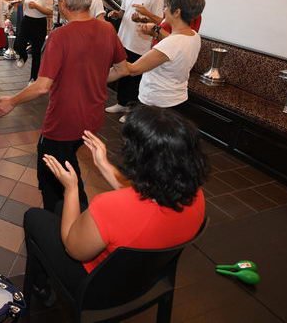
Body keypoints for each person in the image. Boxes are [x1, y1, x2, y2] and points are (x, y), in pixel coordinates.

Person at [23, 106, 208, 304]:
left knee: (35, 217)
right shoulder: (196, 196)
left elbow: (72, 249)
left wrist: (71, 188)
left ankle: (39, 286)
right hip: (148, 278)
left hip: (97, 287)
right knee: (61, 208)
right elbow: (142, 197)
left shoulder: (108, 206)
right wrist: (103, 165)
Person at [0, 0, 127, 212]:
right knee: (69, 160)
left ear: (64, 4)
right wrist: (94, 79)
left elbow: (43, 85)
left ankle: (68, 225)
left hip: (64, 122)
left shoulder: (60, 36)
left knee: (52, 175)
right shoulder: (107, 29)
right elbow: (122, 69)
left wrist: (12, 101)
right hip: (93, 118)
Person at [109, 0, 205, 111]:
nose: (164, 10)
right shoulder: (193, 35)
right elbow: (174, 47)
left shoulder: (170, 44)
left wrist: (112, 48)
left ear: (176, 12)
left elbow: (132, 70)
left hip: (157, 103)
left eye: (166, 7)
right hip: (176, 98)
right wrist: (155, 31)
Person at [105, 0, 164, 121]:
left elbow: (160, 21)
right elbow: (124, 12)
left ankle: (132, 110)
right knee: (122, 74)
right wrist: (117, 14)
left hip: (140, 45)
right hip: (123, 40)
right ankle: (121, 103)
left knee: (134, 78)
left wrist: (144, 15)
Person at [135, 0, 203, 45]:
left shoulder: (192, 15)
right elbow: (164, 23)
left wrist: (155, 29)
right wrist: (145, 21)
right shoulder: (174, 8)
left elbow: (179, 44)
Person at [10, 0, 53, 82]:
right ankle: (23, 56)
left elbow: (50, 12)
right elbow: (19, 1)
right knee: (18, 44)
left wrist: (37, 6)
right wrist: (16, 1)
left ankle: (33, 78)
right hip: (27, 21)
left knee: (36, 52)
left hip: (39, 23)